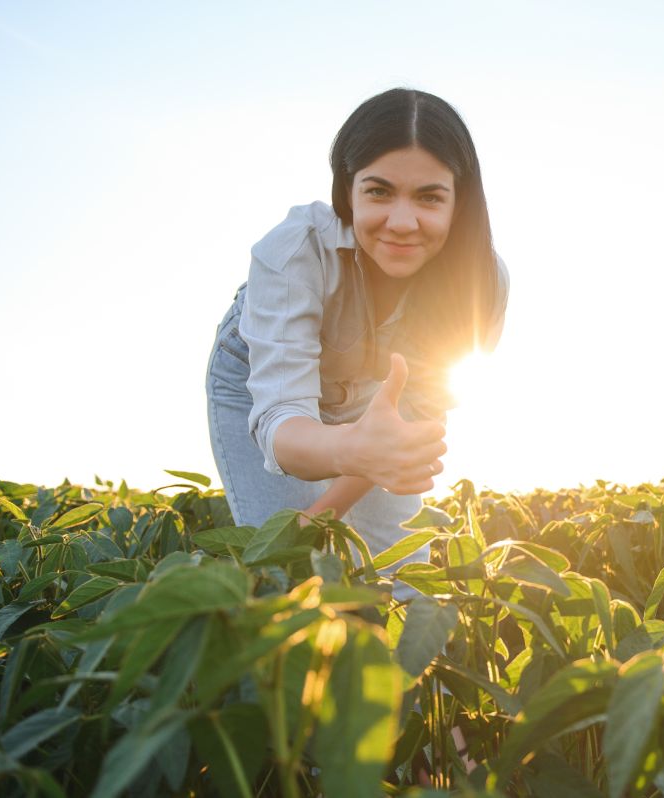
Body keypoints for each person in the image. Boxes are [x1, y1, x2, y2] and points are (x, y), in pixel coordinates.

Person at [204, 88, 509, 589]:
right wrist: (321, 503)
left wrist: (329, 505)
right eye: (379, 191)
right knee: (288, 577)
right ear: (348, 190)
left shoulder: (482, 283)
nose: (403, 222)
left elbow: (408, 417)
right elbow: (282, 421)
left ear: (460, 201)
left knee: (403, 581)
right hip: (256, 385)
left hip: (372, 398)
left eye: (430, 197)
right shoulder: (295, 249)